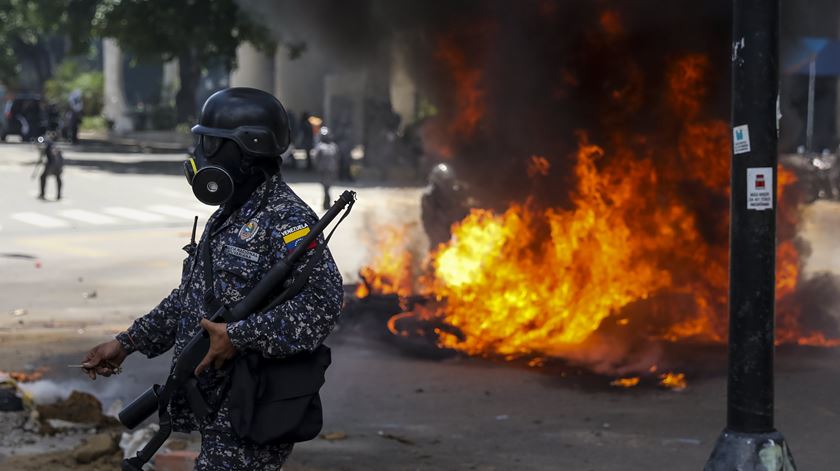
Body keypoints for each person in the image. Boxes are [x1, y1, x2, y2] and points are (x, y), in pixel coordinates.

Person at [79, 88, 343, 470]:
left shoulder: (287, 220)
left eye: (212, 145)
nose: (201, 157)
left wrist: (239, 336)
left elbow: (322, 305)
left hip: (251, 405)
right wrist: (128, 342)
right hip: (216, 405)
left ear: (248, 150)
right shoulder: (229, 214)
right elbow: (191, 298)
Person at [421, 163, 473, 248]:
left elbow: (464, 209)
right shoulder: (429, 195)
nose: (448, 183)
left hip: (452, 221)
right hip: (437, 225)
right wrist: (435, 232)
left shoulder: (455, 191)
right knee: (438, 245)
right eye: (445, 181)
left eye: (449, 181)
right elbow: (428, 218)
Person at [314, 126, 340, 210]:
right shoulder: (321, 147)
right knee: (326, 187)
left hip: (330, 170)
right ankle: (326, 202)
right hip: (324, 170)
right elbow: (316, 159)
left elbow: (337, 158)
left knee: (327, 187)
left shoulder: (333, 146)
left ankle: (326, 202)